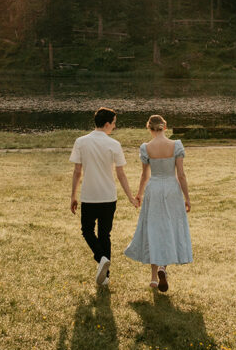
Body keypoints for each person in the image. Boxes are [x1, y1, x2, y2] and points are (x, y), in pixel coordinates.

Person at [70, 107, 139, 288]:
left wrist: (73, 196)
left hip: (89, 196)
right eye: (114, 123)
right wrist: (130, 197)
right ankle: (105, 273)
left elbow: (77, 172)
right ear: (107, 124)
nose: (114, 127)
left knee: (87, 231)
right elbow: (121, 174)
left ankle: (101, 260)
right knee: (104, 235)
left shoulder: (81, 141)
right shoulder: (113, 144)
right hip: (108, 196)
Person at [124, 114, 192, 292]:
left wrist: (138, 194)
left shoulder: (146, 147)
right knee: (168, 227)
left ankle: (154, 277)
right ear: (164, 127)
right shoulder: (175, 145)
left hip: (154, 188)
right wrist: (187, 197)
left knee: (153, 229)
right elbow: (181, 175)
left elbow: (144, 175)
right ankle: (163, 267)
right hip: (171, 188)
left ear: (149, 128)